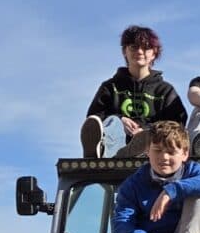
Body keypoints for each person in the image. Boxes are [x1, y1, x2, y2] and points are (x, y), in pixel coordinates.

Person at [80, 25, 188, 158]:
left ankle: (139, 147)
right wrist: (121, 119)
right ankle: (101, 151)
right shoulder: (110, 86)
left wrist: (147, 131)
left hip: (152, 149)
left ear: (154, 54)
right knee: (113, 121)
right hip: (115, 145)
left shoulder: (165, 90)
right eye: (134, 47)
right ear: (124, 51)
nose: (140, 51)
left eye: (146, 47)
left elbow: (177, 123)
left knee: (159, 132)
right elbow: (93, 118)